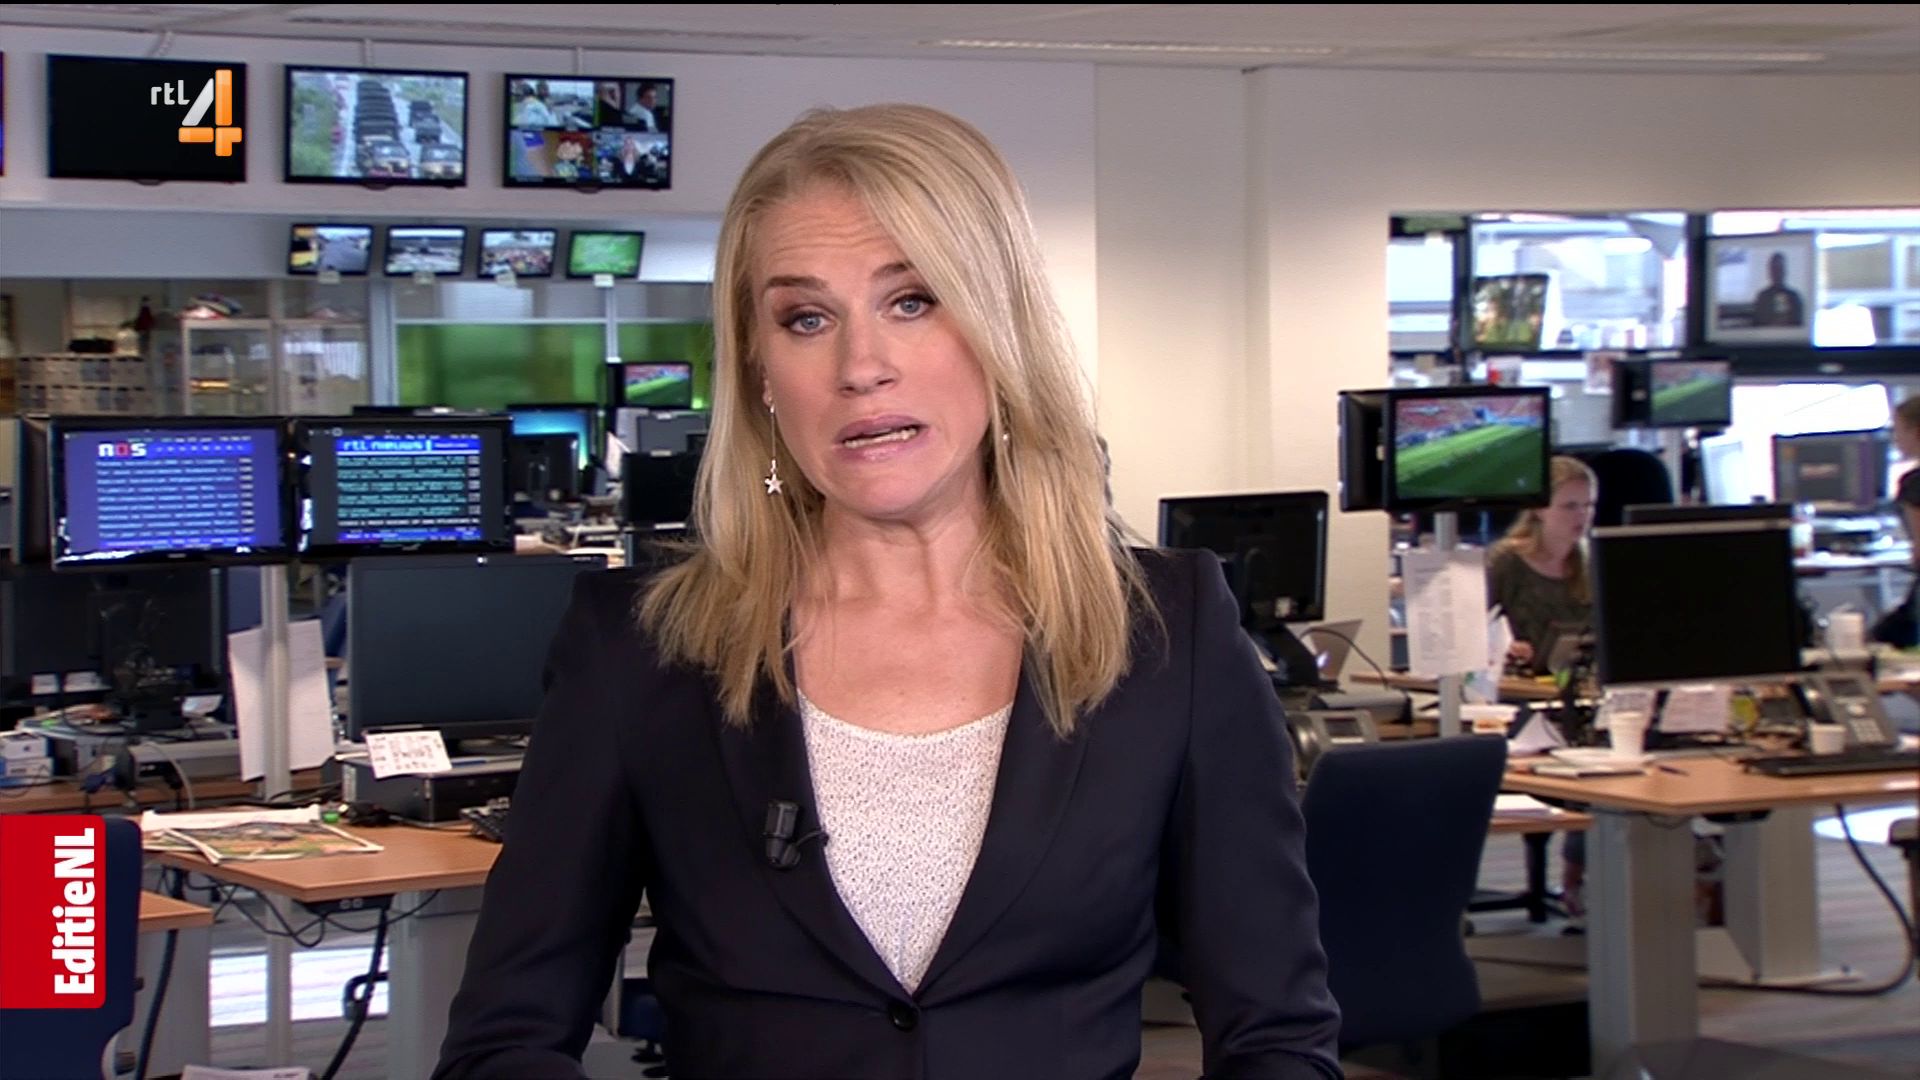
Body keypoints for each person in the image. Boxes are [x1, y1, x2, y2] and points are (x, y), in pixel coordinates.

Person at [433, 104, 1339, 1080]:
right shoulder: (638, 652)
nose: (861, 367)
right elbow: (505, 1043)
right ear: (760, 370)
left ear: (999, 329)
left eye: (912, 301)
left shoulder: (1169, 633)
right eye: (806, 319)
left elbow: (1277, 1038)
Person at [1486, 455, 1599, 674]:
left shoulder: (1594, 561)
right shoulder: (1506, 561)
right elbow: (1471, 632)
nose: (1583, 515)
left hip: (1580, 682)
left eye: (1589, 505)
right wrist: (1504, 647)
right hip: (1518, 683)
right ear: (1539, 509)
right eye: (1570, 506)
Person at [1873, 396, 1920, 646]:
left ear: (1916, 432)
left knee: (1880, 639)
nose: (1894, 438)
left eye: (1897, 430)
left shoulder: (1915, 484)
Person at [1751, 251, 1805, 328]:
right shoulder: (1762, 297)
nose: (1777, 273)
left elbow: (1799, 324)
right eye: (1774, 269)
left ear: (1785, 271)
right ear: (1769, 272)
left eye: (1779, 269)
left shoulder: (1794, 297)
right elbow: (1757, 324)